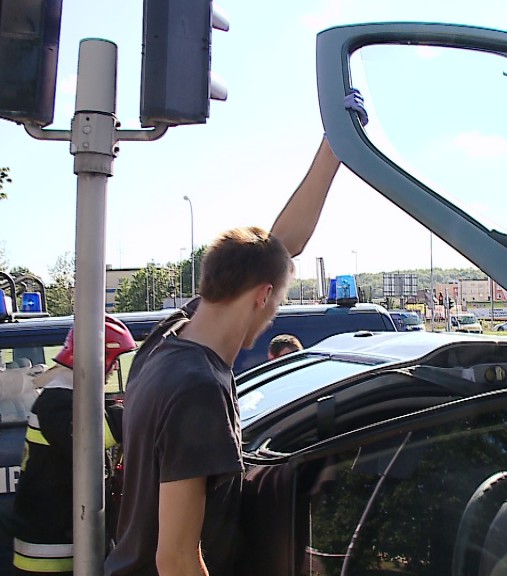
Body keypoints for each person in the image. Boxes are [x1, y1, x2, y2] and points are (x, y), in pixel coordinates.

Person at [106, 93, 366, 576]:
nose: (273, 317)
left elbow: (279, 247)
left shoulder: (168, 339)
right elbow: (176, 560)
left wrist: (335, 146)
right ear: (262, 296)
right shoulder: (198, 390)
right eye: (277, 303)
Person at [12, 315, 137, 576]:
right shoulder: (56, 402)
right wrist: (138, 410)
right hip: (48, 555)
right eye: (112, 360)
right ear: (97, 359)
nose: (114, 368)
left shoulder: (69, 397)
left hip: (66, 545)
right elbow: (89, 440)